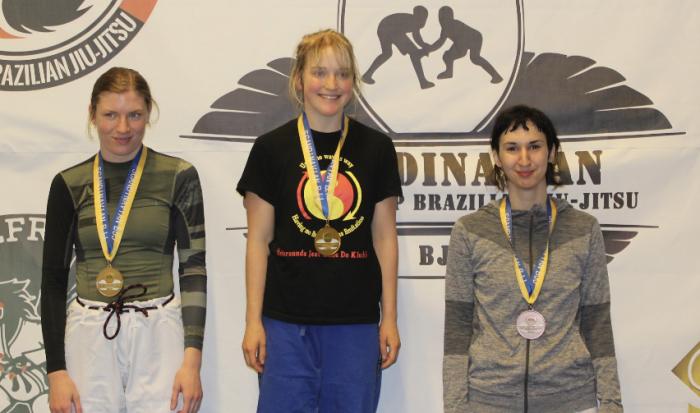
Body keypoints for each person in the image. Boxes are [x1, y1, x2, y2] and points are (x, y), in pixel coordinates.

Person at [237, 29, 402, 413]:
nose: (332, 84)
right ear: (299, 79)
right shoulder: (270, 149)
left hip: (355, 322)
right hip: (284, 322)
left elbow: (384, 238)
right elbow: (258, 241)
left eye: (343, 74)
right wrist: (253, 321)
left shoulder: (377, 148)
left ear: (353, 82)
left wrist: (390, 319)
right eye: (320, 72)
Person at [41, 67, 207, 413]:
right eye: (110, 115)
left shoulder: (179, 176)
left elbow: (193, 270)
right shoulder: (69, 184)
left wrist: (192, 363)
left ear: (149, 113)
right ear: (92, 114)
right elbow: (53, 281)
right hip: (89, 332)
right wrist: (56, 372)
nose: (123, 128)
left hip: (158, 328)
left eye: (134, 115)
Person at [443, 105, 622, 412]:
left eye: (535, 147)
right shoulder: (470, 231)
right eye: (512, 148)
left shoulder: (584, 229)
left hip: (569, 398)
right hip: (489, 399)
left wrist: (611, 403)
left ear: (551, 153)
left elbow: (597, 324)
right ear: (497, 157)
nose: (524, 159)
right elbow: (458, 329)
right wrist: (455, 407)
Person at [361, 6, 435, 89]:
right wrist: (424, 47)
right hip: (391, 29)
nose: (423, 21)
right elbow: (416, 38)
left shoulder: (413, 21)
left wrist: (424, 46)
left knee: (387, 53)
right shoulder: (414, 21)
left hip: (383, 28)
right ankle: (423, 82)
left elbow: (417, 38)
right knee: (414, 54)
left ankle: (367, 75)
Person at [428, 6, 502, 83]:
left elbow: (440, 43)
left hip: (471, 38)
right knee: (473, 58)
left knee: (451, 56)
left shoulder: (452, 25)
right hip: (473, 38)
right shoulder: (447, 27)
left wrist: (428, 49)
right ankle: (496, 76)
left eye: (443, 18)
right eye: (441, 18)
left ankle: (495, 75)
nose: (442, 21)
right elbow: (440, 42)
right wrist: (429, 49)